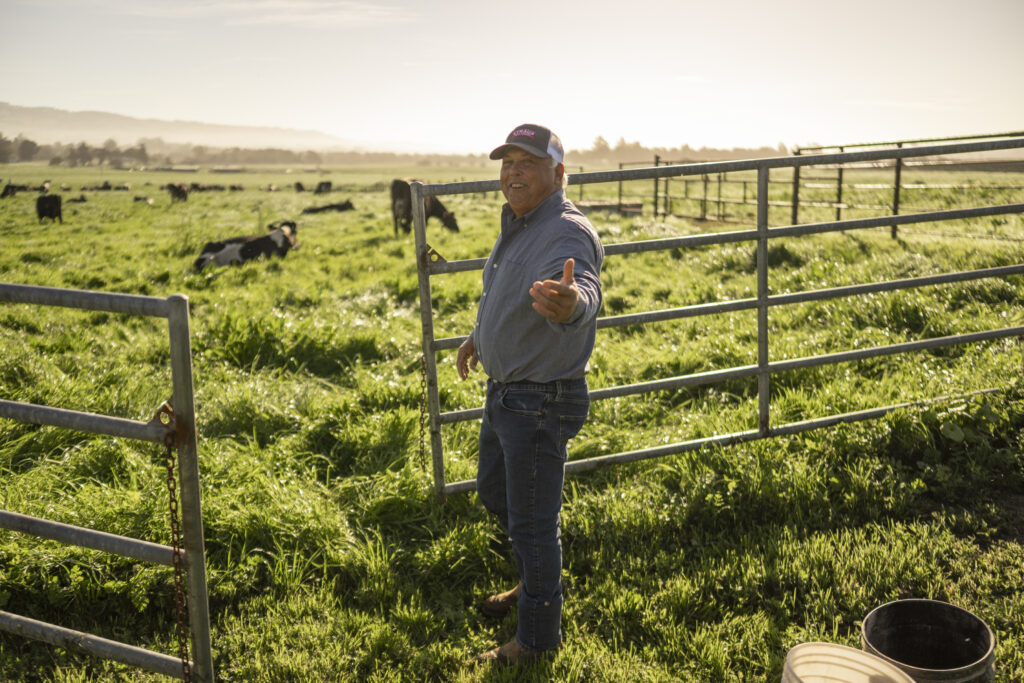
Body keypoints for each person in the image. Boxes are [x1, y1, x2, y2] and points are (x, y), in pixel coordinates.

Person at [458, 123, 604, 665]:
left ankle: (538, 640)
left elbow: (581, 287)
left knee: (533, 523)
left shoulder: (565, 232)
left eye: (527, 163)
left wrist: (572, 305)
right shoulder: (520, 223)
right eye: (507, 162)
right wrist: (481, 338)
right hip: (507, 392)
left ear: (559, 174)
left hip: (538, 400)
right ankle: (532, 579)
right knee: (497, 494)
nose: (513, 172)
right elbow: (508, 291)